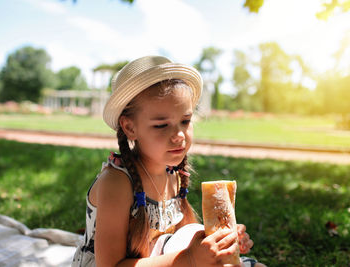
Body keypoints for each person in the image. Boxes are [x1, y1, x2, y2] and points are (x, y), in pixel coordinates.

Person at [72, 56, 265, 267]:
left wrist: (218, 242)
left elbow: (182, 237)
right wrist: (190, 258)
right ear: (130, 128)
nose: (179, 135)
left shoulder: (174, 174)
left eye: (185, 121)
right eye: (161, 125)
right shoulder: (116, 182)